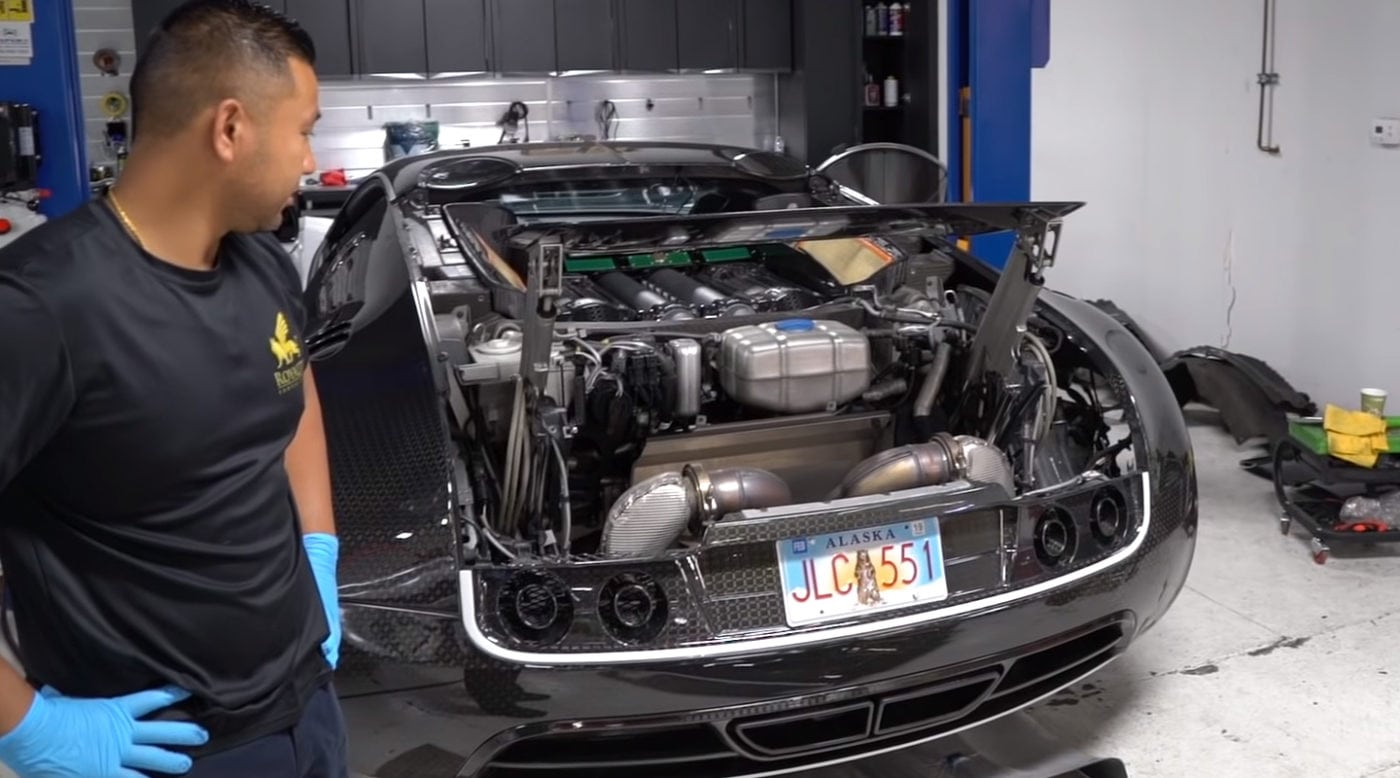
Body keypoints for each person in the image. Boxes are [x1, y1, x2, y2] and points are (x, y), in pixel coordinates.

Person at [0, 1, 345, 775]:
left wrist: (318, 549)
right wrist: (26, 726)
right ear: (231, 128)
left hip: (308, 708)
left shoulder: (262, 264)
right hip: (163, 749)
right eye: (303, 130)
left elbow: (294, 393)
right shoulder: (41, 307)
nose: (308, 159)